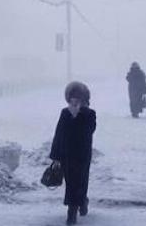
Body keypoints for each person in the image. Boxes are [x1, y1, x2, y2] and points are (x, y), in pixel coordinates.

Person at [50, 81, 97, 225]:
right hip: (67, 155)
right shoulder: (65, 113)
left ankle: (77, 207)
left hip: (82, 155)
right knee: (71, 183)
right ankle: (75, 207)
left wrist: (79, 114)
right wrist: (55, 156)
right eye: (72, 97)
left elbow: (89, 131)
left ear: (84, 99)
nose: (75, 100)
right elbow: (59, 134)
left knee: (81, 181)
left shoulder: (90, 114)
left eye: (78, 97)